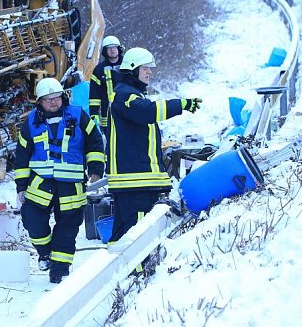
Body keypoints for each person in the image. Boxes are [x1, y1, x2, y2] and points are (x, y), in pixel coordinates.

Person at [14, 77, 105, 283]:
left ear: (63, 97)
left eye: (56, 98)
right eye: (48, 99)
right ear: (40, 102)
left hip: (71, 185)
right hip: (40, 184)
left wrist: (96, 169)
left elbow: (95, 142)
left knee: (68, 227)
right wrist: (21, 186)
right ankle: (45, 253)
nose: (54, 102)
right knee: (32, 220)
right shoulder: (30, 123)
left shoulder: (78, 115)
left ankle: (59, 269)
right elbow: (22, 156)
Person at [107, 47, 202, 242]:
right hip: (135, 180)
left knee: (123, 233)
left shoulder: (130, 94)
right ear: (133, 70)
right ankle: (137, 270)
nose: (150, 72)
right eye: (145, 68)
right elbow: (148, 112)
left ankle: (121, 271)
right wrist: (181, 104)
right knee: (138, 233)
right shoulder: (125, 96)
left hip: (137, 180)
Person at [89, 35, 124, 148]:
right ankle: (110, 164)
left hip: (127, 110)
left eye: (114, 47)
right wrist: (94, 113)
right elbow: (94, 95)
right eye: (109, 48)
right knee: (111, 143)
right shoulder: (99, 70)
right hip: (107, 114)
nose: (112, 50)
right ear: (105, 51)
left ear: (119, 49)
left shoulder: (128, 66)